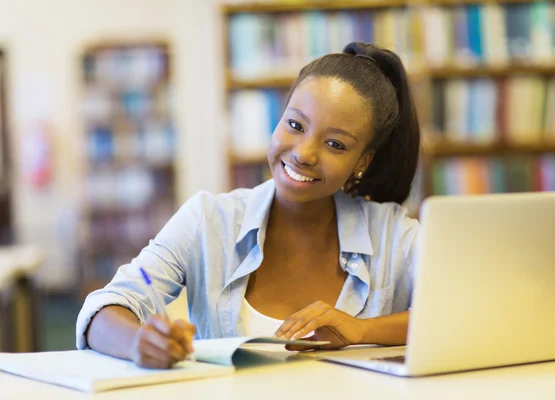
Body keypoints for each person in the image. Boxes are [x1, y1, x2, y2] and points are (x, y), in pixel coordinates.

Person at [76, 42, 421, 369]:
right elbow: (107, 307)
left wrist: (362, 330)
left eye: (335, 144)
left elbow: (463, 317)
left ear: (363, 160)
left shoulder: (396, 236)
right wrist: (139, 342)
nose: (304, 153)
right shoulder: (208, 220)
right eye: (295, 125)